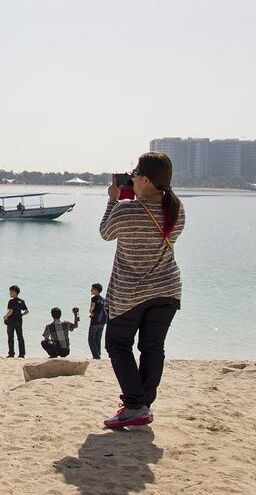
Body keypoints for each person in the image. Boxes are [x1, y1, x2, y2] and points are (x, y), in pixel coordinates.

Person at [100, 152, 185, 429]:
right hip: (168, 289)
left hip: (131, 293)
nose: (132, 176)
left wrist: (114, 198)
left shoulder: (126, 209)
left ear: (146, 180)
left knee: (117, 343)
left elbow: (105, 232)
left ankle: (135, 405)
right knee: (152, 347)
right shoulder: (176, 208)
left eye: (135, 173)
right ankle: (141, 405)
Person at [2, 285, 28, 358]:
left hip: (11, 321)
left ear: (14, 292)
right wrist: (21, 315)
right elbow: (26, 311)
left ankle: (11, 354)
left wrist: (5, 317)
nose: (9, 293)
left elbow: (11, 311)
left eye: (10, 292)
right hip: (19, 321)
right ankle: (22, 354)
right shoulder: (21, 301)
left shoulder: (11, 301)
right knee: (20, 337)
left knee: (10, 337)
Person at [87, 283, 108, 360]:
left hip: (95, 322)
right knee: (98, 338)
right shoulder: (103, 299)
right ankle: (98, 353)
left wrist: (91, 312)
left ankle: (96, 356)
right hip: (102, 322)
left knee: (91, 339)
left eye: (92, 289)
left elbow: (91, 310)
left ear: (96, 290)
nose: (91, 290)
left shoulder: (94, 299)